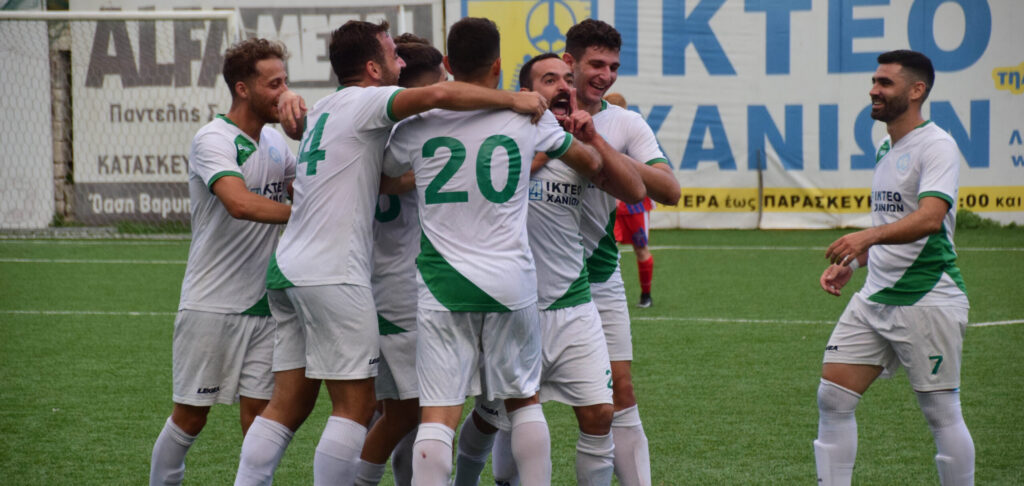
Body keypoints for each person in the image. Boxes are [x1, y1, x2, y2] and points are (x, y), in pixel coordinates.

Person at [232, 20, 547, 486]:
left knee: (289, 404)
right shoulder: (370, 102)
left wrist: (291, 104)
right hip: (335, 271)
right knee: (357, 407)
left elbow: (369, 164)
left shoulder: (327, 106)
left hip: (289, 265)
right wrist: (512, 99)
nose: (399, 59)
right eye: (391, 53)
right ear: (372, 69)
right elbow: (439, 95)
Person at [381, 17, 604, 486]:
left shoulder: (417, 125)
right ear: (498, 65)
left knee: (438, 412)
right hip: (510, 280)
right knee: (523, 401)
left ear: (447, 64)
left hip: (443, 283)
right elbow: (589, 162)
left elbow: (383, 177)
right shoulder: (529, 118)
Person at [452, 52, 646, 486]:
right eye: (549, 79)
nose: (563, 87)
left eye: (566, 80)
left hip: (572, 301)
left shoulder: (577, 147)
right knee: (492, 415)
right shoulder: (498, 140)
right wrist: (537, 155)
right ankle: (464, 479)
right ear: (526, 93)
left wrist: (594, 140)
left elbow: (635, 191)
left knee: (600, 413)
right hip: (511, 306)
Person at [815, 50, 973, 486]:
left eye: (885, 83)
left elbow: (929, 218)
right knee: (833, 398)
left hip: (927, 298)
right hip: (874, 298)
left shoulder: (937, 145)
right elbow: (892, 223)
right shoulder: (886, 145)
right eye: (874, 81)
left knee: (941, 413)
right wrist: (856, 260)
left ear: (917, 90)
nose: (874, 90)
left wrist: (865, 237)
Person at [149, 38, 299, 486]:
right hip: (212, 305)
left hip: (265, 307)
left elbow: (307, 185)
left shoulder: (275, 141)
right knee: (190, 418)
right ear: (243, 89)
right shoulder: (212, 139)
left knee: (260, 421)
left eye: (285, 81)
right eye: (274, 84)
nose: (284, 92)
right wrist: (307, 216)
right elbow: (240, 203)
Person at [564, 18, 681, 486]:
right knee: (508, 404)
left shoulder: (624, 122)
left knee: (621, 391)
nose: (606, 75)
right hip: (533, 279)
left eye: (613, 66)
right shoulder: (532, 114)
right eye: (596, 64)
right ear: (570, 62)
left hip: (599, 275)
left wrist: (604, 150)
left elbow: (670, 189)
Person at [355, 33, 447, 486]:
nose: (444, 95)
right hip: (400, 287)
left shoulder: (366, 129)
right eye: (437, 86)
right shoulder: (413, 134)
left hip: (382, 280)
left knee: (397, 409)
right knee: (412, 411)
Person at [605, 93, 657, 308]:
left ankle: (644, 295)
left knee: (613, 248)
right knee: (632, 249)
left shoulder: (632, 131)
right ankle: (644, 296)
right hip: (620, 204)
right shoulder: (604, 133)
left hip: (631, 204)